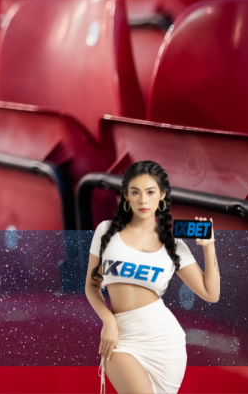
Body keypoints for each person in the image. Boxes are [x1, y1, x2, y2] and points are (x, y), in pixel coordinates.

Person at [85, 160, 222, 394]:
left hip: (165, 342)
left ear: (162, 196)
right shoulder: (105, 231)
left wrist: (209, 248)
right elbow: (91, 286)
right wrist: (108, 320)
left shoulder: (173, 245)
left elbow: (211, 293)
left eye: (150, 192)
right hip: (120, 337)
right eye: (135, 192)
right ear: (125, 196)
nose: (143, 200)